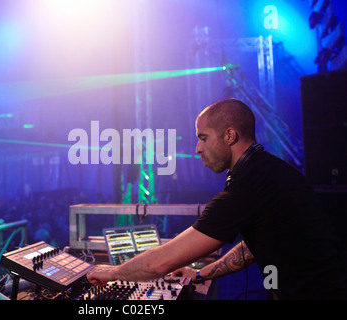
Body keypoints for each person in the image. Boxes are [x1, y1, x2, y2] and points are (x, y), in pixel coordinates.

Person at [87, 98, 347, 299]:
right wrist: (199, 274)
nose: (197, 148)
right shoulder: (266, 170)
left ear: (230, 136)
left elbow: (159, 263)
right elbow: (251, 248)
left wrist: (113, 272)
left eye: (203, 138)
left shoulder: (249, 184)